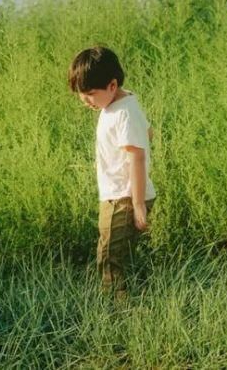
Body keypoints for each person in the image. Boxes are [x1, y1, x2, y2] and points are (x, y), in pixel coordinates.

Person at [68, 46, 157, 298]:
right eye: (80, 94)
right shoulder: (120, 103)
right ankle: (127, 295)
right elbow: (148, 133)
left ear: (112, 85)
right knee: (119, 252)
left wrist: (138, 203)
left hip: (123, 197)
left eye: (89, 94)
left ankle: (117, 307)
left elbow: (137, 157)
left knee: (109, 256)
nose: (85, 101)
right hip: (117, 193)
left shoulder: (124, 113)